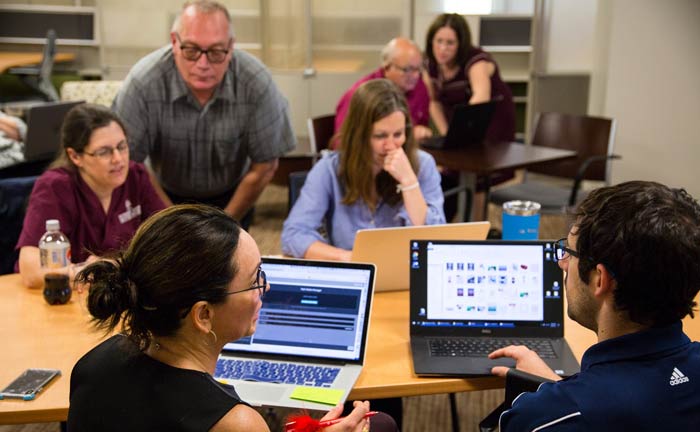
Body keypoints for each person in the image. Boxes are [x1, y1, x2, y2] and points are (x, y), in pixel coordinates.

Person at [67, 204, 393, 432]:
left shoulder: (94, 362)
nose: (264, 289)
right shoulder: (236, 423)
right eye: (255, 280)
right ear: (204, 315)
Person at [488, 181, 700, 431]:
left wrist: (557, 399)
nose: (563, 264)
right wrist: (557, 388)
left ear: (600, 279)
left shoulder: (541, 419)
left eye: (569, 251)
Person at [112, 0, 295, 230]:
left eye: (217, 52)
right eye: (191, 50)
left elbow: (265, 166)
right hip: (163, 194)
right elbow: (131, 163)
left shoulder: (257, 83)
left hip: (233, 195)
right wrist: (173, 222)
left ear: (231, 46)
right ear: (174, 42)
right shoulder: (143, 82)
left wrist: (224, 224)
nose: (203, 64)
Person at [282, 79, 445, 261]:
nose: (391, 145)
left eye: (398, 134)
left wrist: (409, 183)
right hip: (352, 274)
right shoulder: (330, 169)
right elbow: (294, 235)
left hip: (407, 275)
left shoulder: (423, 164)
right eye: (380, 136)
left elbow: (436, 242)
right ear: (359, 135)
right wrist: (350, 258)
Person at [15, 104, 166, 289]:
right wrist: (82, 270)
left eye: (122, 146)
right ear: (75, 156)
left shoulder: (136, 176)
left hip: (118, 293)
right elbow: (30, 270)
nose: (118, 159)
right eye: (104, 152)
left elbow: (169, 236)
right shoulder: (54, 187)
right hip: (61, 298)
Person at [424, 13, 515, 142]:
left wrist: (458, 132)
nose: (443, 49)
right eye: (439, 41)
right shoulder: (429, 64)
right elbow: (434, 101)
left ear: (461, 44)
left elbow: (481, 97)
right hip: (460, 122)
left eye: (450, 43)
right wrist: (447, 135)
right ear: (431, 41)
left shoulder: (475, 60)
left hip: (492, 119)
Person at [333, 37, 432, 147]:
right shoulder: (358, 96)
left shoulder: (419, 87)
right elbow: (342, 144)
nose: (416, 75)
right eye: (407, 70)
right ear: (387, 67)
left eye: (419, 69)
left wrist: (422, 131)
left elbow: (423, 124)